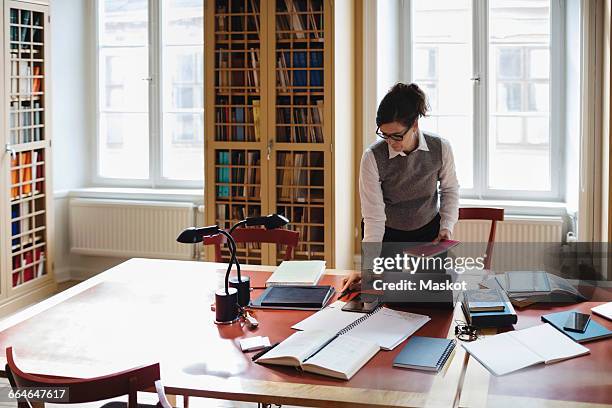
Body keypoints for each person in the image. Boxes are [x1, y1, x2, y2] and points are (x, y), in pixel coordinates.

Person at [341, 82, 459, 292]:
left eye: (397, 135)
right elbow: (373, 217)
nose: (391, 142)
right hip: (389, 237)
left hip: (429, 235)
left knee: (433, 300)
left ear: (414, 125)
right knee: (391, 302)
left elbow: (449, 190)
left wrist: (446, 226)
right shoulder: (372, 158)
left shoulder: (440, 148)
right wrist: (369, 268)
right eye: (384, 135)